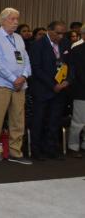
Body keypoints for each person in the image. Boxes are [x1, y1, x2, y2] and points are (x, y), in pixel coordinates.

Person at [0, 7, 32, 165]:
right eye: (12, 19)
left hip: (20, 86)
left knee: (18, 120)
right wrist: (13, 78)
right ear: (2, 20)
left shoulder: (18, 38)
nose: (16, 22)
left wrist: (24, 76)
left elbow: (25, 59)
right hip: (0, 84)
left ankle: (15, 152)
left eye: (17, 19)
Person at [29, 21, 70, 160]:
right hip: (43, 89)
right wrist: (53, 85)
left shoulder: (65, 43)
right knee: (39, 120)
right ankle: (36, 150)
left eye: (63, 33)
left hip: (61, 89)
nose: (60, 36)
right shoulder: (37, 45)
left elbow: (70, 64)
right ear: (49, 30)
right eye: (58, 33)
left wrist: (67, 81)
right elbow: (36, 68)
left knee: (54, 121)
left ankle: (51, 148)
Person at [67, 25, 85, 158]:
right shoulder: (77, 50)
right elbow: (77, 72)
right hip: (81, 90)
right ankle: (73, 146)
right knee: (78, 121)